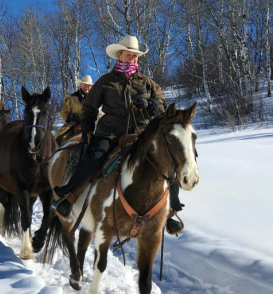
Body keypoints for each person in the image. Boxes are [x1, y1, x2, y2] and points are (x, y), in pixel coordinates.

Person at [53, 35, 184, 234]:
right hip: (110, 132)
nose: (133, 58)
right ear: (119, 55)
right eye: (129, 54)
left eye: (136, 55)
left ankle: (170, 210)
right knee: (94, 157)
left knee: (167, 159)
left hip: (141, 133)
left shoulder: (148, 84)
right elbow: (89, 109)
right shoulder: (106, 82)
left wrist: (151, 105)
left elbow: (164, 110)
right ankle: (70, 196)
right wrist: (88, 130)